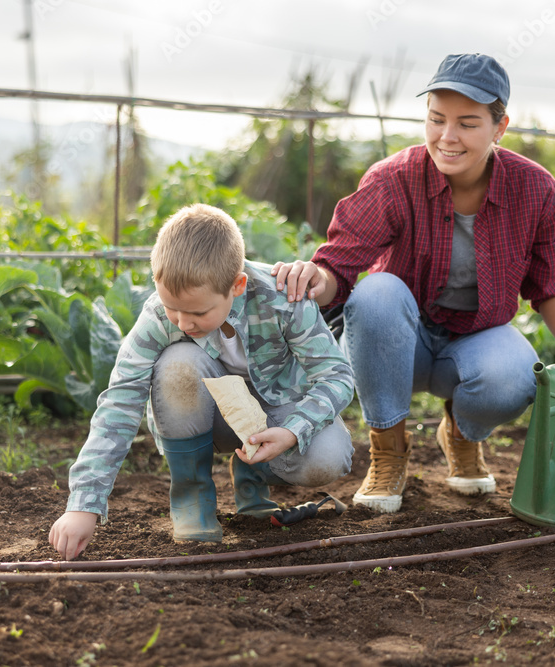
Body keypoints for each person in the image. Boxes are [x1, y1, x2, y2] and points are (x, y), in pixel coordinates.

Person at [272, 53, 555, 514]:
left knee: (516, 376)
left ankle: (460, 433)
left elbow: (550, 282)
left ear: (500, 127)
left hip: (476, 340)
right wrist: (317, 277)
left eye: (467, 123)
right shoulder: (395, 179)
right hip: (400, 346)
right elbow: (340, 265)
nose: (447, 137)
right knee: (376, 292)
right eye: (436, 119)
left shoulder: (535, 190)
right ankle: (388, 450)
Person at [49, 203, 354, 559]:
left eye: (197, 312)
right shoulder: (158, 317)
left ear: (237, 286)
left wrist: (292, 431)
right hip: (209, 421)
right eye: (171, 308)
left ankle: (252, 473)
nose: (182, 322)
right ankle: (191, 496)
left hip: (277, 418)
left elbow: (337, 375)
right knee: (178, 361)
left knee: (329, 457)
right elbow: (120, 399)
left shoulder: (283, 298)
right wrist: (84, 504)